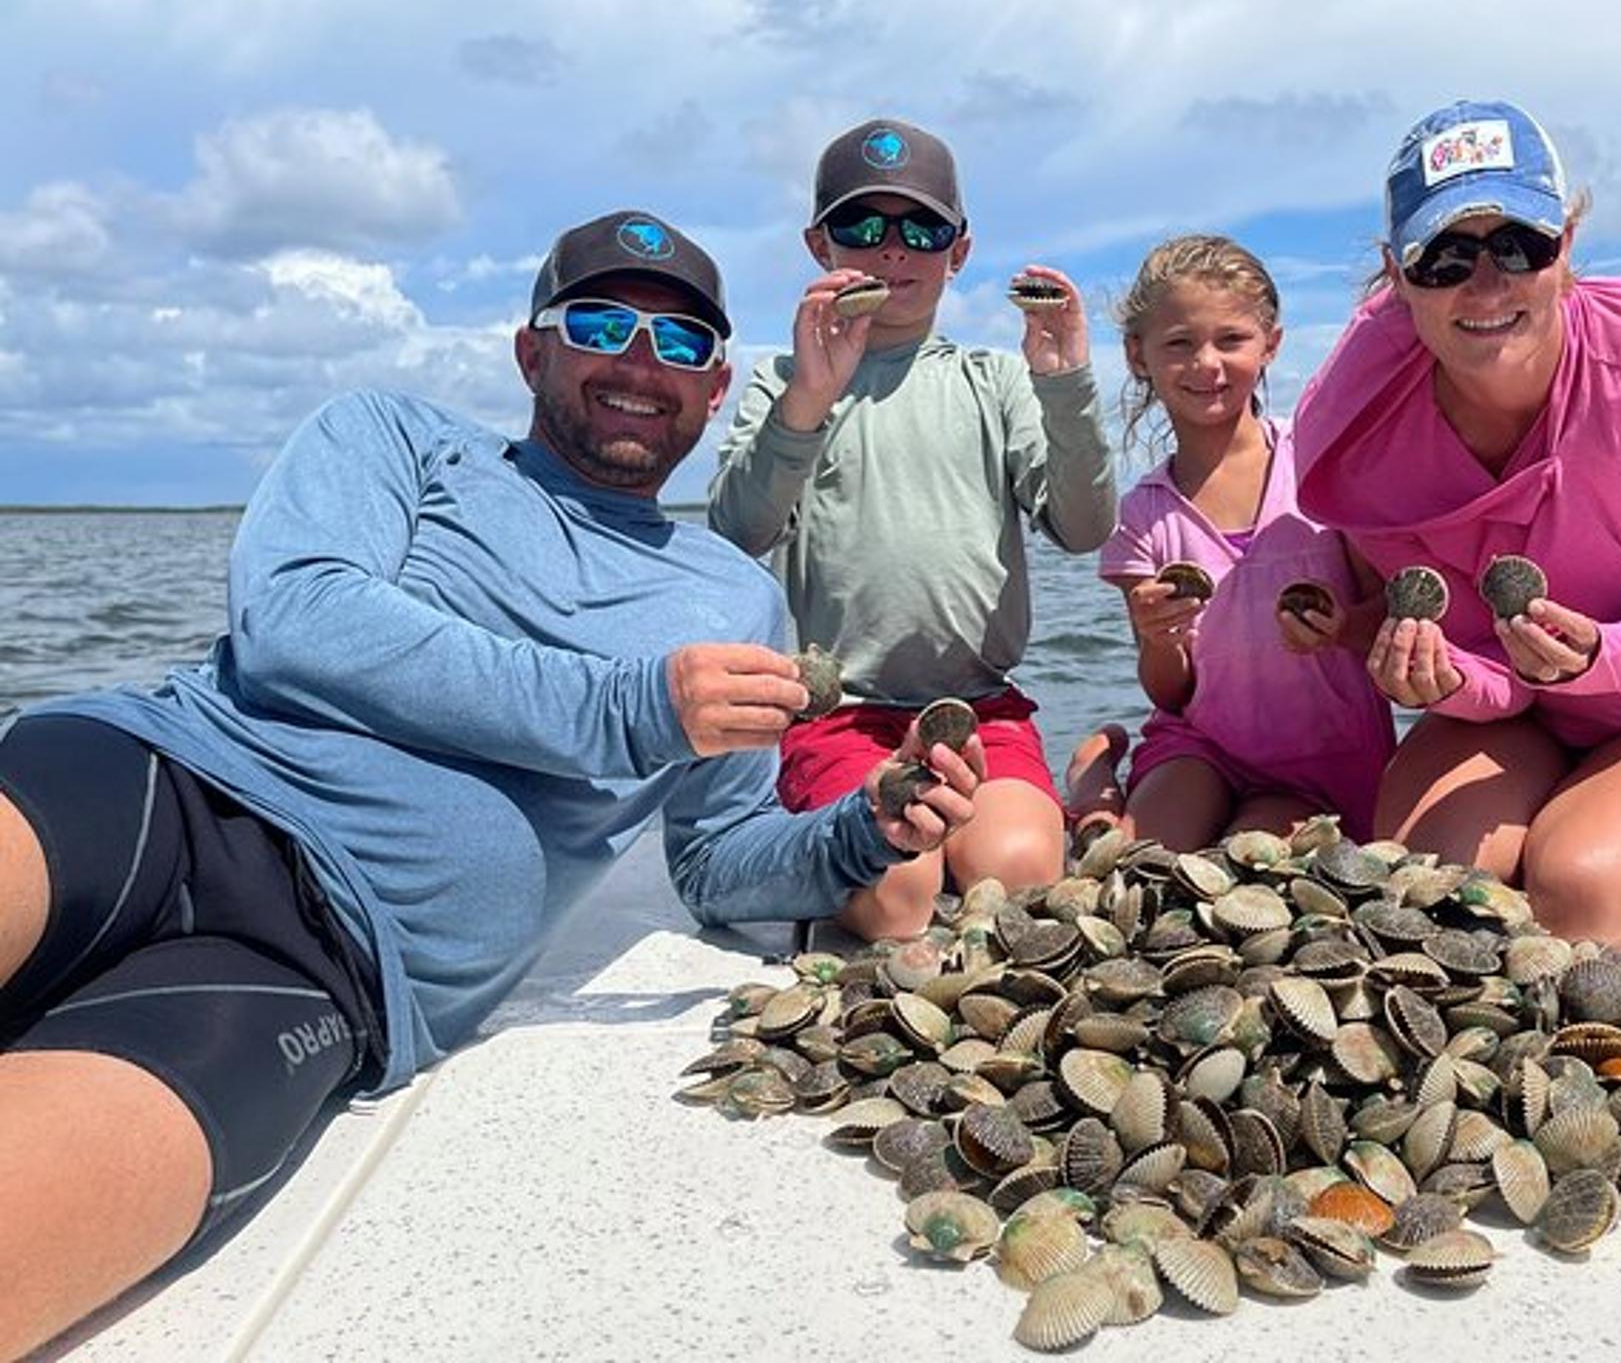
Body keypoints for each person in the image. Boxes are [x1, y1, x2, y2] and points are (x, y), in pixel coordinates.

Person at [0, 209, 980, 1357]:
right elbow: (295, 618)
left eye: (679, 343)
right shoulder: (394, 437)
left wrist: (864, 828)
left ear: (717, 390)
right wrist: (628, 709)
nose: (638, 362)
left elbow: (719, 862)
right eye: (600, 324)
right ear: (530, 352)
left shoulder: (734, 598)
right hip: (153, 784)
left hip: (331, 958)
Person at [1290, 99, 1621, 952]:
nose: (1486, 286)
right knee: (1425, 902)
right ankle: (1582, 810)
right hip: (1512, 714)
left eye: (1519, 245)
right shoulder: (1357, 435)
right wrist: (1442, 681)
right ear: (1397, 273)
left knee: (1577, 895)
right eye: (1445, 257)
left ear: (1568, 243)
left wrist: (1595, 657)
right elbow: (1489, 672)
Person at [708, 117, 1116, 939]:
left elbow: (1082, 527)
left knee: (1021, 871)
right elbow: (737, 531)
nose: (893, 250)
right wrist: (807, 401)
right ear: (819, 245)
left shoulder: (995, 379)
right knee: (898, 895)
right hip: (842, 717)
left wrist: (1066, 383)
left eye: (921, 230)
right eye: (864, 227)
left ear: (958, 251)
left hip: (983, 709)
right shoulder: (786, 380)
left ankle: (1064, 794)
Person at [1062, 235, 1395, 852]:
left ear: (1271, 345)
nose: (1206, 363)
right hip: (1199, 746)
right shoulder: (1142, 514)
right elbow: (1170, 692)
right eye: (1179, 343)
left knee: (1248, 860)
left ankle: (1097, 789)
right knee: (1139, 864)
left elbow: (1386, 619)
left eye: (1231, 339)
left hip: (1324, 757)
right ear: (1138, 355)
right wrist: (1159, 638)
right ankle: (1095, 792)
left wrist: (1343, 628)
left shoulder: (1321, 465)